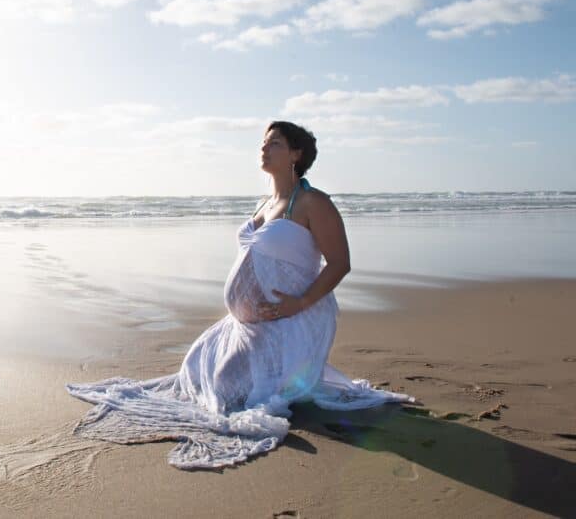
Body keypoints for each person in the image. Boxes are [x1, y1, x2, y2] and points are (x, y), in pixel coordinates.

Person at [65, 120, 414, 470]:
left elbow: (340, 263)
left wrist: (300, 302)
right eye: (264, 142)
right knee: (196, 374)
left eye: (274, 143)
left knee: (230, 395)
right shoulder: (264, 204)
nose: (264, 148)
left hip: (291, 320)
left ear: (296, 153)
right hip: (244, 325)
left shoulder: (312, 202)